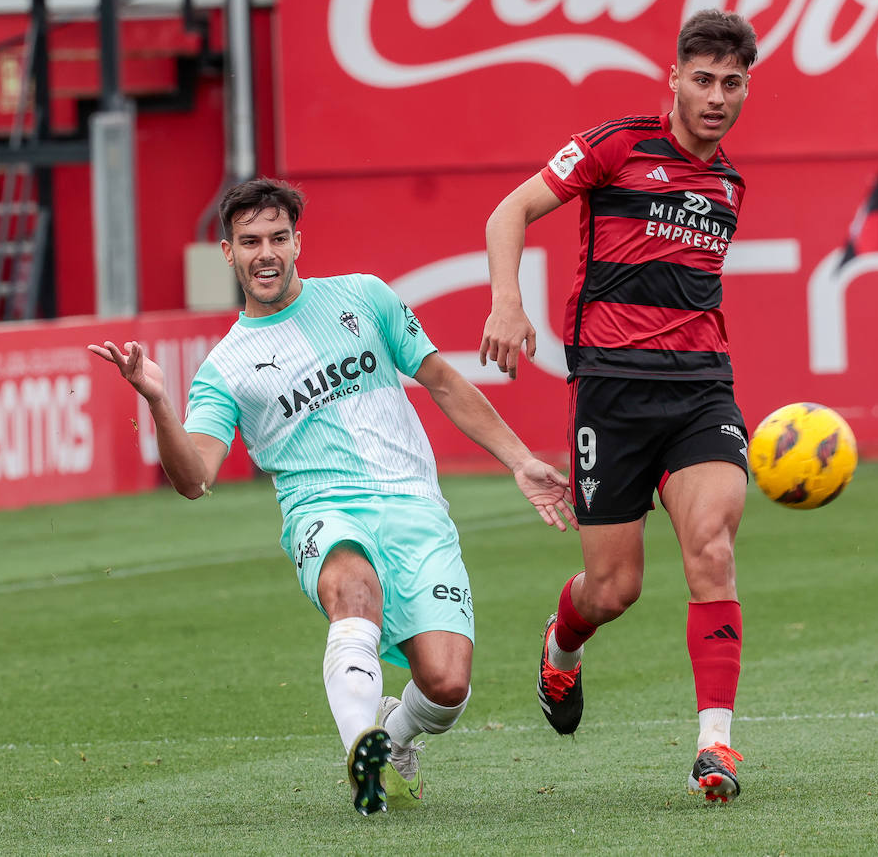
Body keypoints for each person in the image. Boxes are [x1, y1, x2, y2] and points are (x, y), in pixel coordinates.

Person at [90, 178, 577, 816]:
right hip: (323, 509)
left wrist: (519, 459)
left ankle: (394, 735)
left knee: (447, 686)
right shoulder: (226, 367)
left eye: (276, 238)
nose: (264, 253)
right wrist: (157, 401)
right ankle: (364, 751)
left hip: (414, 506)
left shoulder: (363, 297)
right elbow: (194, 478)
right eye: (249, 242)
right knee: (353, 592)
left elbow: (443, 382)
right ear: (228, 253)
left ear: (297, 243)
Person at [479, 10, 759, 803]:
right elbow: (510, 212)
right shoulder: (616, 145)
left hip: (704, 391)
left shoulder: (731, 184)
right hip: (611, 393)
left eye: (730, 83)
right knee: (614, 591)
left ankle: (717, 745)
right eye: (701, 79)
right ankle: (562, 644)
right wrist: (508, 302)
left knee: (712, 548)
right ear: (673, 78)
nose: (715, 96)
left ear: (746, 89)